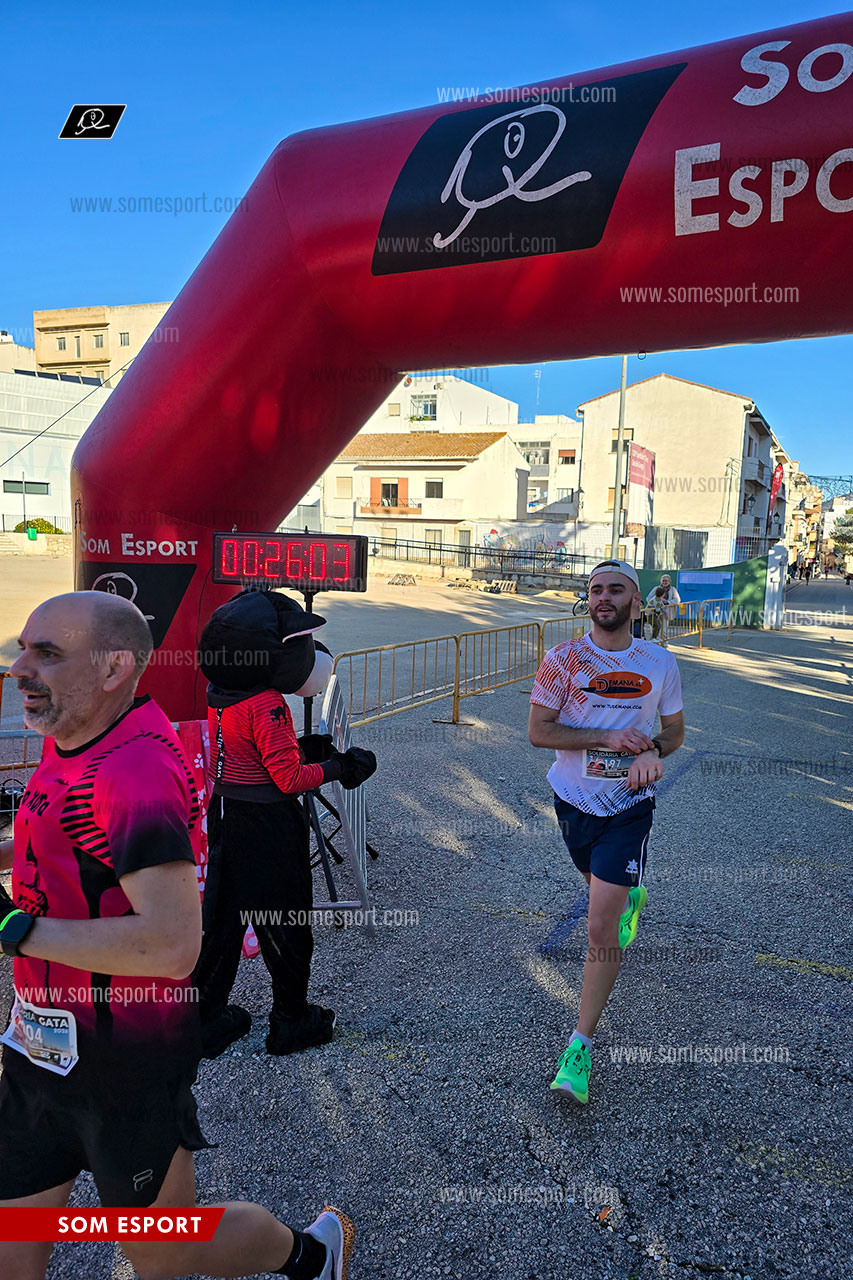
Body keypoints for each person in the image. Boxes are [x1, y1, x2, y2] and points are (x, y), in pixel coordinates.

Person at [0, 592, 354, 1280]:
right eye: (22, 649)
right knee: (13, 1244)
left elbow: (170, 946)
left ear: (113, 669)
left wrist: (16, 931)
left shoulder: (134, 772)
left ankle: (311, 1253)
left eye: (47, 654)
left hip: (123, 1063)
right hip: (37, 1048)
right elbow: (62, 834)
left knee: (163, 1252)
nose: (20, 668)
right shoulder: (71, 735)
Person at [193, 588, 377, 1058]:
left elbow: (247, 751)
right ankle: (290, 1019)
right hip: (269, 824)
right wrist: (339, 766)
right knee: (287, 921)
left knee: (223, 922)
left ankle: (203, 1017)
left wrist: (301, 748)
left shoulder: (221, 694)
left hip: (228, 814)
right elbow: (288, 778)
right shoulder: (268, 702)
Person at [528, 560, 684, 1104]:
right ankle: (628, 894)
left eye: (616, 589)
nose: (603, 597)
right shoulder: (562, 659)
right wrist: (605, 738)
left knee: (599, 927)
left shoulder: (660, 662)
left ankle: (580, 1048)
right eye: (595, 589)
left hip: (630, 805)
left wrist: (654, 753)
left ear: (637, 602)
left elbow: (674, 732)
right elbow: (539, 732)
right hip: (574, 801)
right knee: (598, 889)